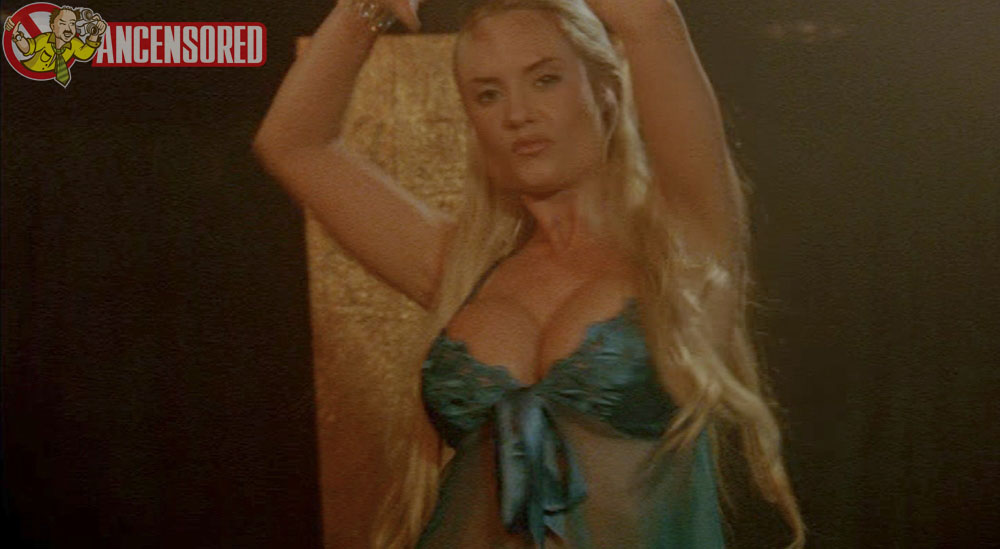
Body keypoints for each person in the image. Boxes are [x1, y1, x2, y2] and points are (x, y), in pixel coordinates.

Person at [253, 0, 805, 546]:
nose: (517, 114)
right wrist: (365, 8)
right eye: (488, 95)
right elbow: (294, 145)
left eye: (545, 80)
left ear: (606, 91)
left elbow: (650, 17)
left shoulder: (681, 250)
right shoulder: (461, 271)